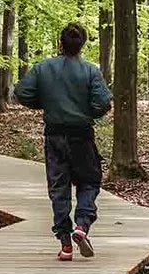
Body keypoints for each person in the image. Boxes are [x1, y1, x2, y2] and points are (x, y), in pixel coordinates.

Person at [13, 22, 112, 261]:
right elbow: (103, 103)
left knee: (59, 189)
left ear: (60, 43)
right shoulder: (90, 71)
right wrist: (86, 111)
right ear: (82, 45)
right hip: (81, 136)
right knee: (89, 182)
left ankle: (66, 244)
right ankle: (82, 225)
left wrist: (45, 102)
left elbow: (22, 92)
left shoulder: (43, 68)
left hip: (54, 136)